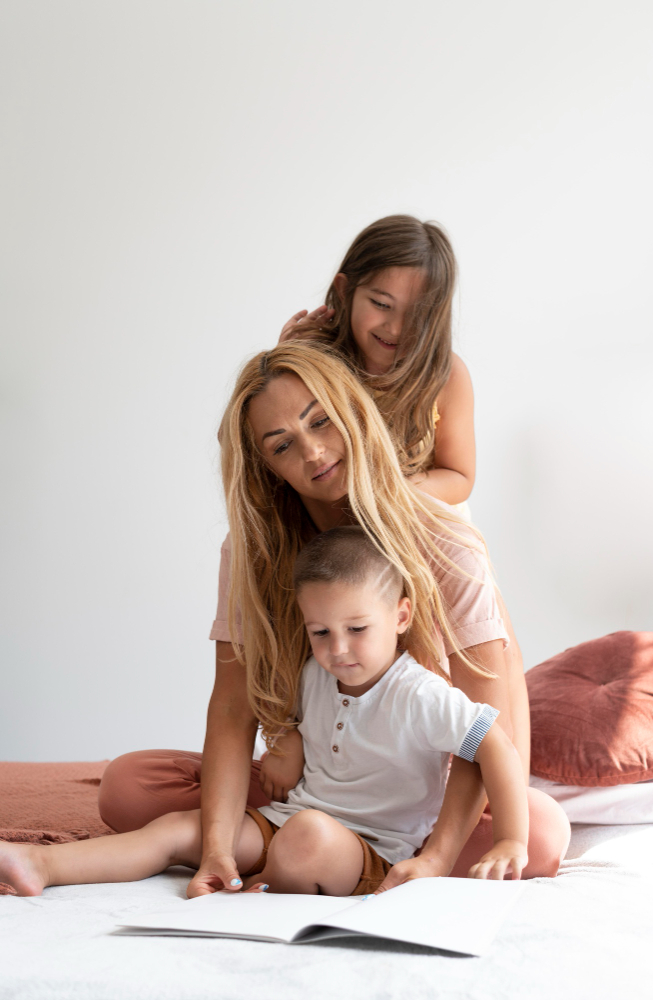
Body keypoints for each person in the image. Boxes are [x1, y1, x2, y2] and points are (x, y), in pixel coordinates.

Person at [97, 342, 570, 897]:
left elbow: (489, 724)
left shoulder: (447, 541)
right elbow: (231, 704)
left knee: (538, 833)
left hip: (417, 796)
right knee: (127, 788)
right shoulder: (251, 552)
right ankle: (308, 848)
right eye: (283, 445)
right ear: (267, 468)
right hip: (317, 787)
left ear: (351, 410)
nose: (315, 451)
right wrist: (218, 850)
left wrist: (440, 856)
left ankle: (346, 853)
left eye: (321, 420)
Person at [0, 528, 528, 897]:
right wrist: (289, 743)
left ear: (401, 615)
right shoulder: (316, 674)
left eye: (357, 629)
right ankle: (40, 864)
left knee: (309, 839)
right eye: (320, 632)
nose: (338, 648)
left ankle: (268, 888)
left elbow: (494, 745)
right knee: (184, 830)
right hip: (290, 818)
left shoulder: (421, 693)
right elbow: (298, 721)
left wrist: (510, 838)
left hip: (372, 850)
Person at [279, 215, 475, 510]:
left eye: (417, 315)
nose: (396, 328)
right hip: (328, 530)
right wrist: (282, 365)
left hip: (416, 523)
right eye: (382, 304)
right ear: (345, 291)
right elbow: (241, 447)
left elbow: (459, 477)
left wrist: (384, 492)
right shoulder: (315, 360)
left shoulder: (445, 375)